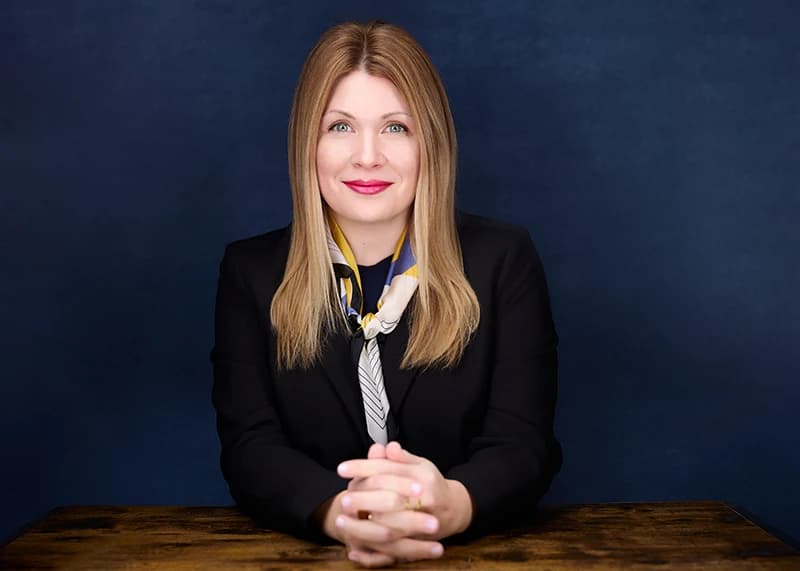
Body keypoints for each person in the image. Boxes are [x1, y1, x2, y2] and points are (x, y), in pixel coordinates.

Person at [211, 20, 562, 567]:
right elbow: (251, 448)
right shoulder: (249, 272)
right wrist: (340, 513)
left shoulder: (503, 260)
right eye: (341, 127)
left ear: (432, 142)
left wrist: (448, 507)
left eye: (396, 127)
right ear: (308, 141)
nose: (368, 156)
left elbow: (523, 444)